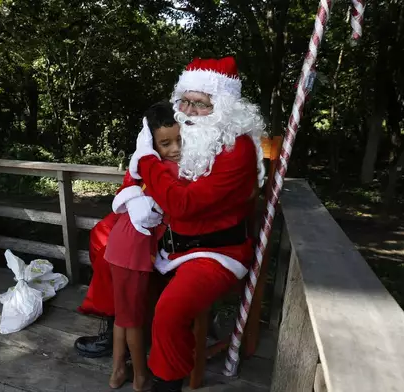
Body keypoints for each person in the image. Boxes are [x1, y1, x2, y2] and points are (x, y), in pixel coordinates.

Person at [77, 57, 267, 392]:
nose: (191, 110)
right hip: (170, 238)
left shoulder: (235, 149)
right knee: (105, 240)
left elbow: (183, 204)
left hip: (215, 251)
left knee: (169, 310)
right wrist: (134, 194)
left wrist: (147, 159)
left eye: (202, 103)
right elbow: (132, 181)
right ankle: (120, 326)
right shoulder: (178, 132)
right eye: (185, 101)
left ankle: (164, 382)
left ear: (223, 106)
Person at [104, 101, 180, 391]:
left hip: (120, 247)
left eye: (179, 141)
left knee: (122, 316)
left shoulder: (148, 168)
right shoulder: (165, 170)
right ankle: (139, 377)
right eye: (166, 143)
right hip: (132, 254)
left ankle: (116, 372)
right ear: (151, 143)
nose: (174, 149)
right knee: (133, 319)